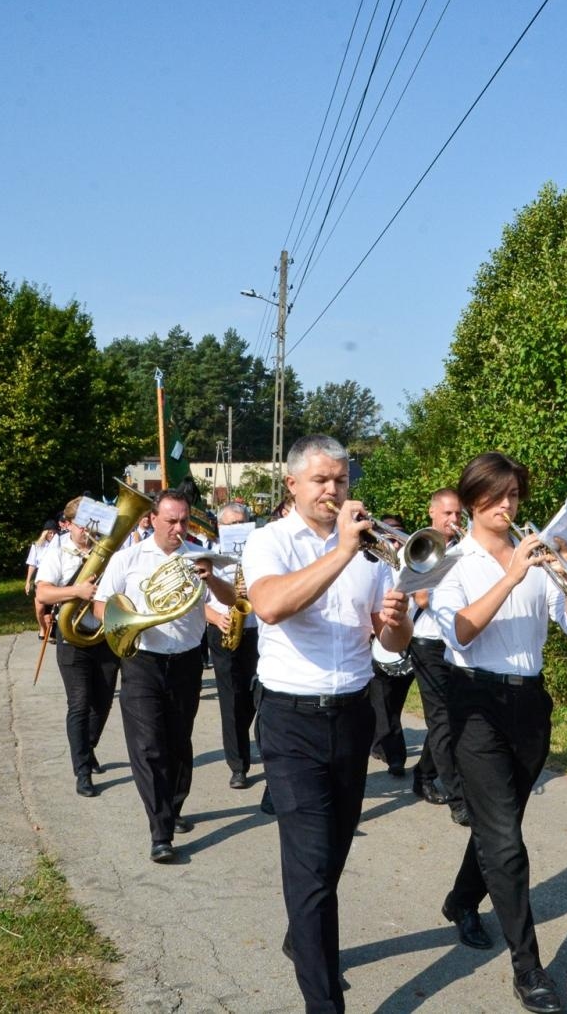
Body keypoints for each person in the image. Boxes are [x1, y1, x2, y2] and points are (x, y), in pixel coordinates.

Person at [242, 434, 412, 1014]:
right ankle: (323, 1002)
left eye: (341, 480)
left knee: (333, 854)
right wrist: (340, 551)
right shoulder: (271, 543)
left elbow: (389, 643)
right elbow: (269, 605)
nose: (333, 490)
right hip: (291, 720)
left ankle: (303, 936)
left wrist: (396, 620)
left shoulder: (369, 555)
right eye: (320, 480)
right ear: (292, 485)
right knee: (312, 864)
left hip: (353, 715)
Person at [430, 452, 567, 1014]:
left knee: (502, 823)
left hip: (530, 701)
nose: (508, 506)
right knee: (505, 842)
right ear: (473, 499)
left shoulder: (538, 556)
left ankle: (459, 900)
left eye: (515, 496)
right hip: (474, 701)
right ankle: (530, 969)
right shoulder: (450, 561)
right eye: (497, 496)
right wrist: (513, 573)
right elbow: (460, 633)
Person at [93, 488, 214, 864]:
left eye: (184, 521)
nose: (178, 528)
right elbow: (102, 604)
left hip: (186, 661)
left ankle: (174, 806)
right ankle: (159, 831)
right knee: (148, 747)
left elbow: (219, 602)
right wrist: (124, 622)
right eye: (171, 521)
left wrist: (212, 581)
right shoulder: (127, 558)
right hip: (142, 661)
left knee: (178, 742)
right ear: (153, 520)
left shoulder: (199, 558)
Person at [34, 498, 118, 798]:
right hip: (72, 640)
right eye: (84, 526)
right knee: (79, 704)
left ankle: (88, 746)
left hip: (104, 637)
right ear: (69, 524)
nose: (89, 532)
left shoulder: (109, 552)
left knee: (104, 702)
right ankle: (82, 770)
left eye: (93, 525)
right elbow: (43, 592)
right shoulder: (57, 551)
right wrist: (77, 591)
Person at [407, 487, 470, 825]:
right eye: (447, 513)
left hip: (456, 645)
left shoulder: (466, 549)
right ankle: (458, 800)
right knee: (442, 720)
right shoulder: (423, 548)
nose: (453, 520)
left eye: (458, 514)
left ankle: (423, 773)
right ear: (432, 513)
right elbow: (420, 600)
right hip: (428, 643)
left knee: (451, 718)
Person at [203, 500, 258, 790]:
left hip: (257, 632)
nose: (236, 529)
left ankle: (250, 743)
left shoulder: (261, 553)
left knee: (255, 698)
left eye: (241, 523)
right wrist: (215, 617)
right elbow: (196, 603)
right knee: (231, 700)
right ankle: (238, 765)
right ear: (220, 527)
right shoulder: (207, 555)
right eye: (230, 524)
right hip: (224, 630)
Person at [367, 513, 418, 778]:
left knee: (393, 702)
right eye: (388, 533)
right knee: (382, 700)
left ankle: (379, 743)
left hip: (411, 639)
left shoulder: (414, 560)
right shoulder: (372, 560)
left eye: (398, 533)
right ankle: (395, 756)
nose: (394, 539)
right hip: (378, 642)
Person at [25, 520, 59, 639]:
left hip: (54, 577)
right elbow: (32, 564)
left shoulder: (58, 545)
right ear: (45, 533)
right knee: (40, 608)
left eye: (54, 533)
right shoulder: (37, 546)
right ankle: (42, 627)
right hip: (41, 578)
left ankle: (52, 629)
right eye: (50, 533)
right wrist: (28, 581)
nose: (52, 535)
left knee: (53, 607)